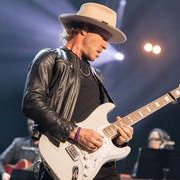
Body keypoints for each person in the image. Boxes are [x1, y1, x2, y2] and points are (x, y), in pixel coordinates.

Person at [21, 2, 133, 180]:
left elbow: (96, 125)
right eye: (104, 37)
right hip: (64, 161)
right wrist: (76, 133)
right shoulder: (51, 58)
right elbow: (31, 102)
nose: (106, 46)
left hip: (98, 166)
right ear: (84, 29)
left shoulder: (97, 75)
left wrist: (118, 139)